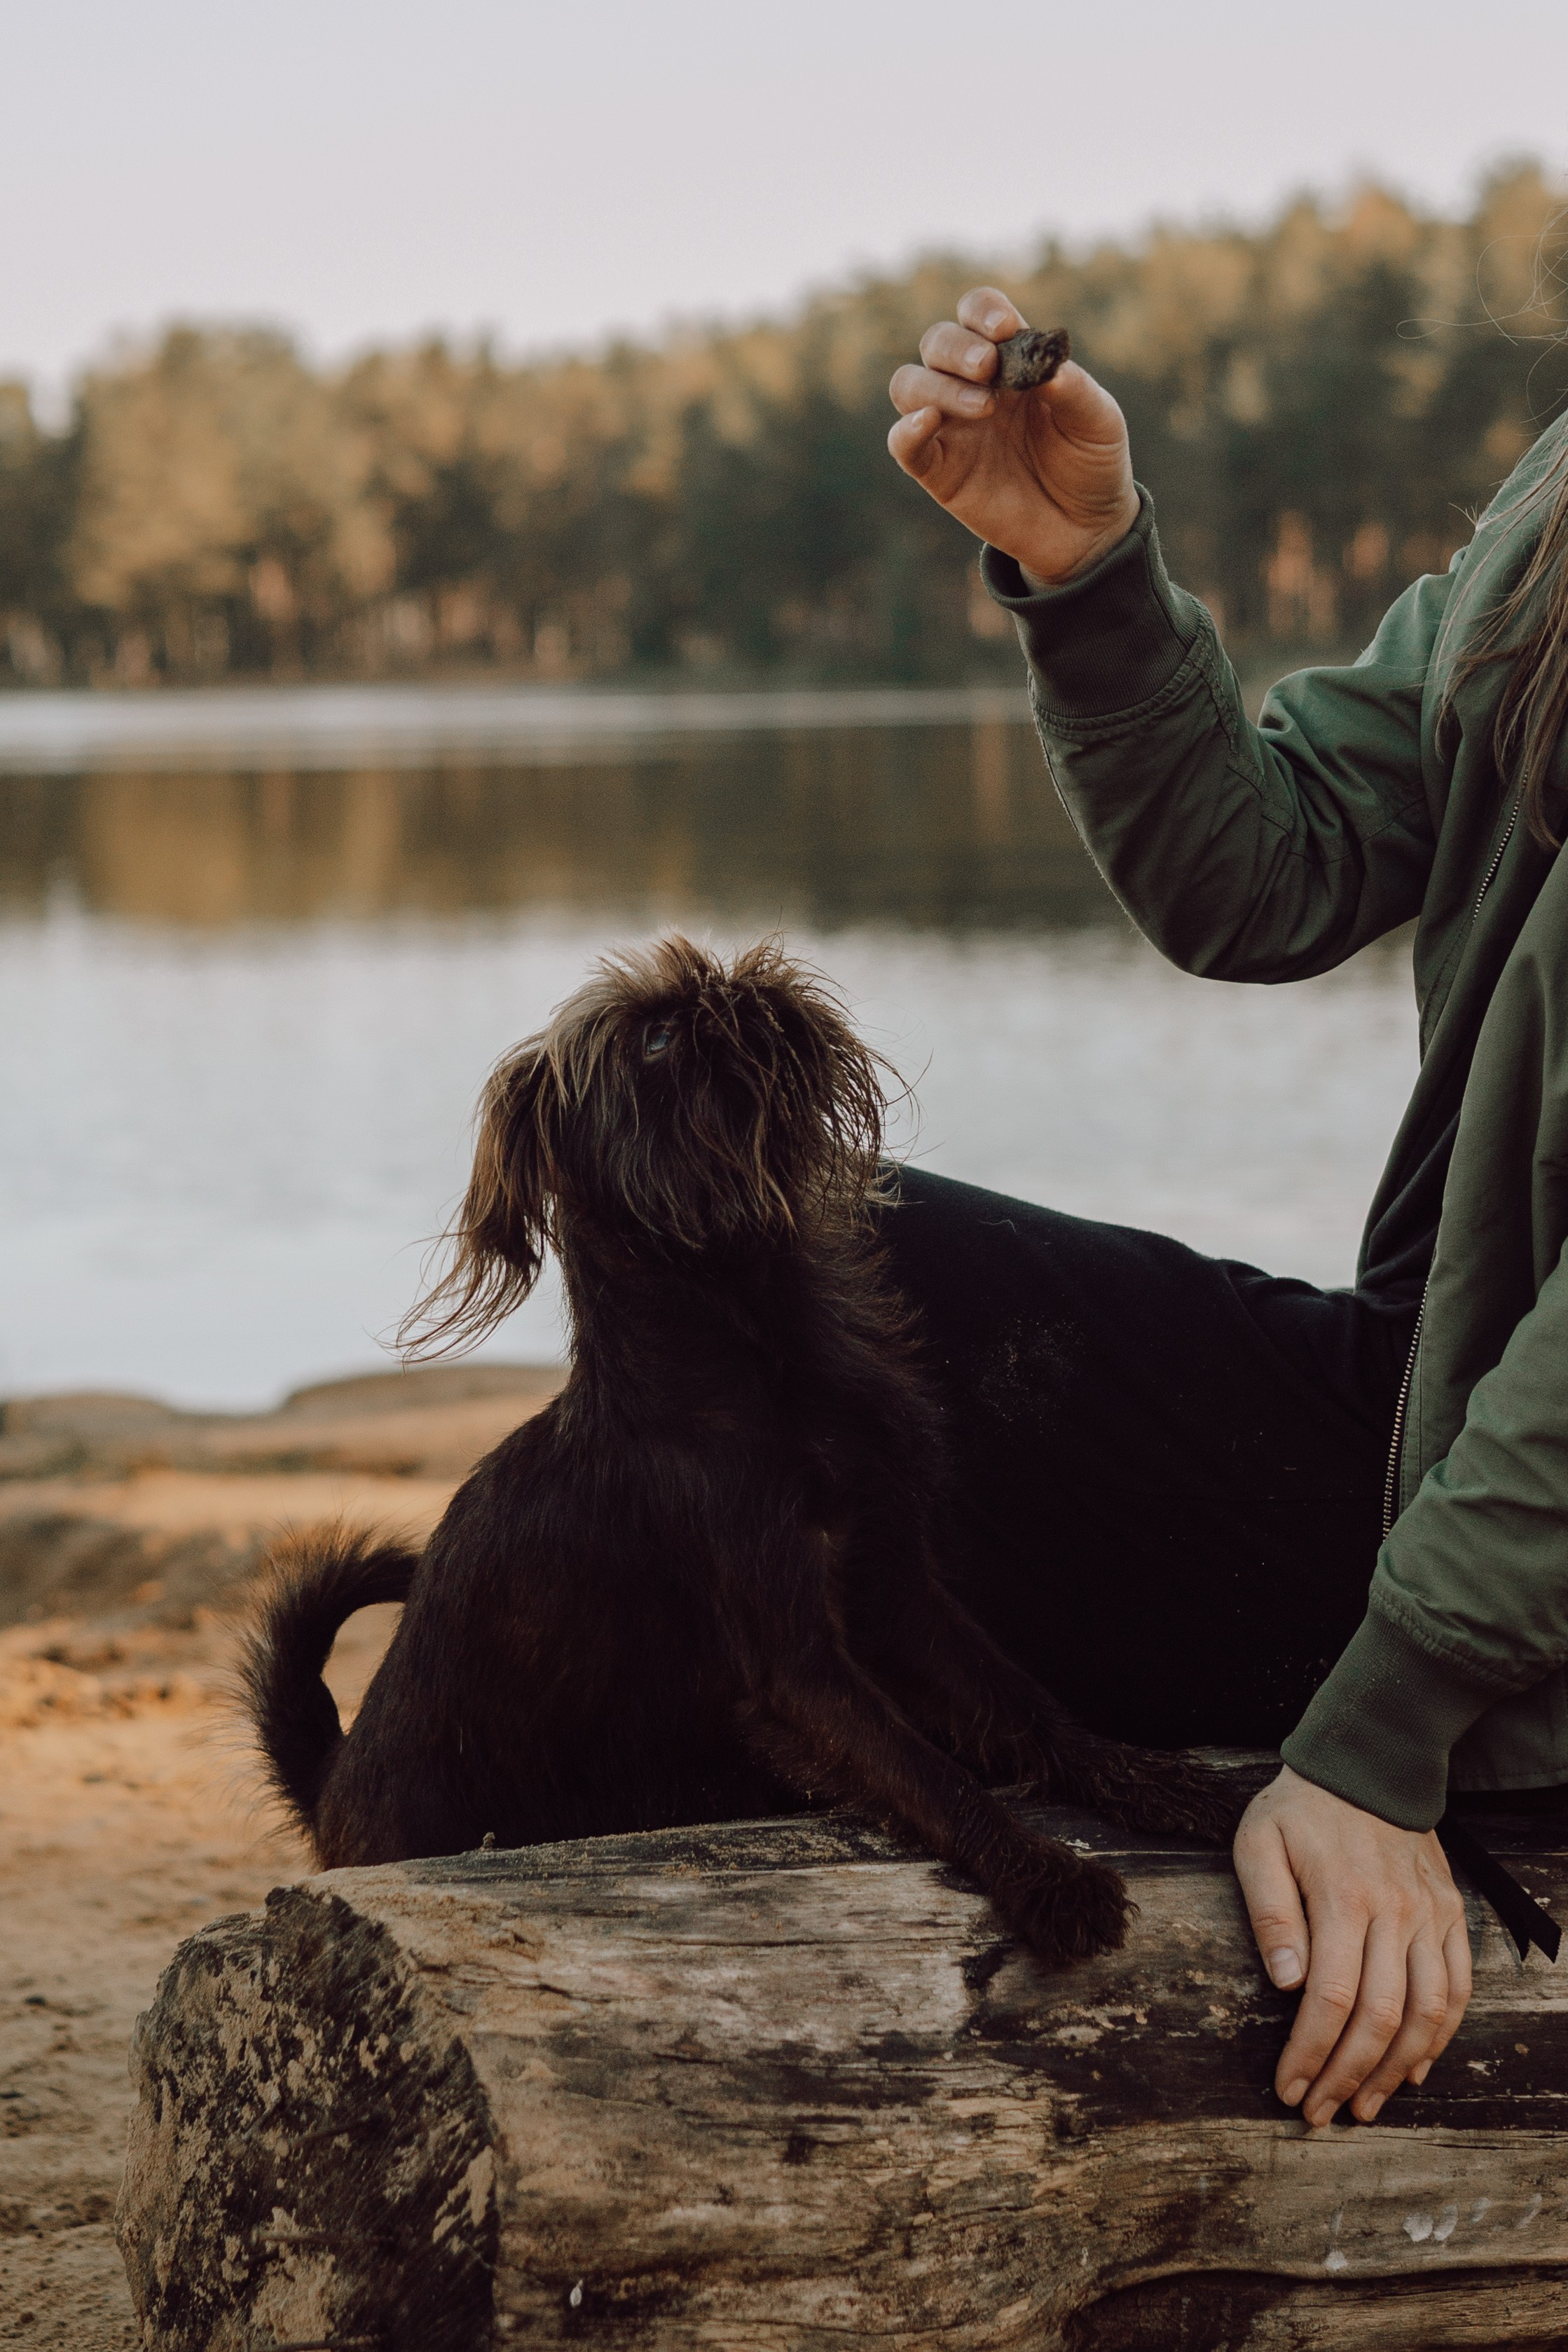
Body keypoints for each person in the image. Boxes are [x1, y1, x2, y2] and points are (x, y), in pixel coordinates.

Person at [881, 284, 1568, 2131]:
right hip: (1436, 1431)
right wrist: (1086, 572)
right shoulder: (1560, 501)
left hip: (1514, 1569)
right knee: (792, 1250)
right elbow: (1270, 869)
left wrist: (1381, 1742)